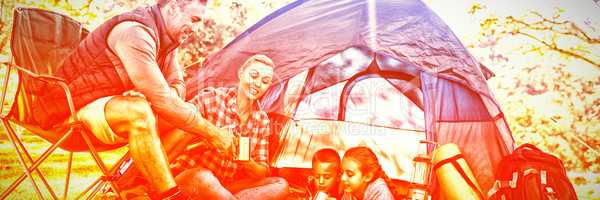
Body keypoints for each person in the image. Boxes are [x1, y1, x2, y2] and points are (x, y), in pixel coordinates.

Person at [33, 0, 236, 199]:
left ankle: (131, 188)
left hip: (104, 107)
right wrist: (213, 133)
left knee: (183, 119)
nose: (195, 29)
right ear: (173, 7)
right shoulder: (134, 32)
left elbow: (177, 86)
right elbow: (164, 99)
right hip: (65, 112)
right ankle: (170, 195)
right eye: (193, 20)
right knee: (139, 112)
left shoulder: (168, 42)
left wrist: (155, 96)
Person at [170, 54, 289, 199]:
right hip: (191, 176)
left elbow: (262, 172)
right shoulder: (212, 98)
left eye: (265, 81)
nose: (257, 84)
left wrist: (246, 161)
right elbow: (176, 125)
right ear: (240, 73)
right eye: (253, 75)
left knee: (280, 184)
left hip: (224, 185)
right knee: (205, 178)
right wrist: (210, 137)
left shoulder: (262, 120)